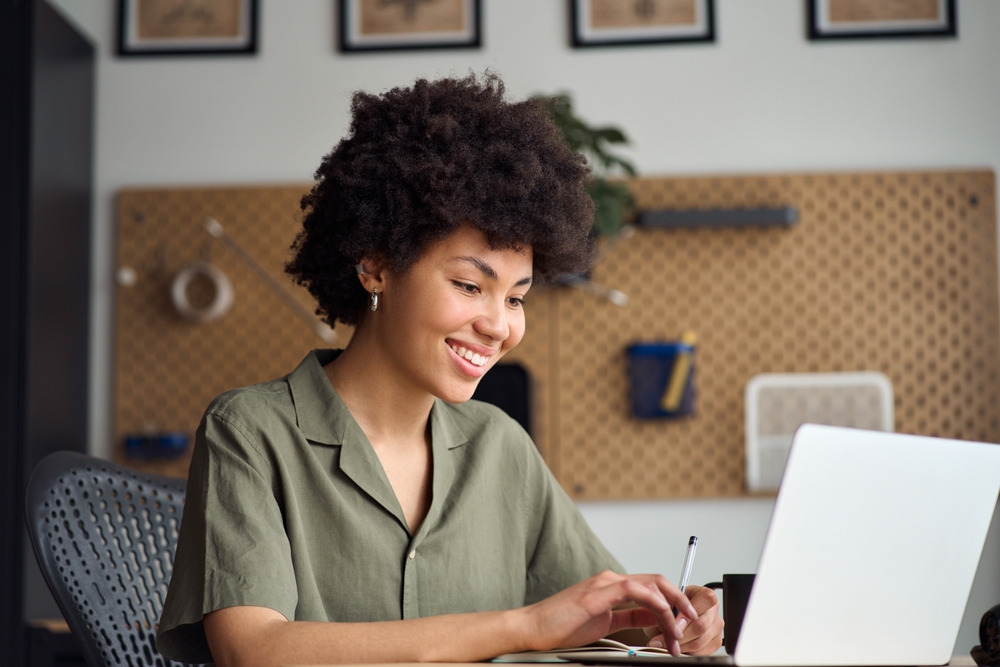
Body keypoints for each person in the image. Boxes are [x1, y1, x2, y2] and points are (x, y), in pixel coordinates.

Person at [156, 73, 723, 667]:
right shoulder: (250, 431)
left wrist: (671, 621)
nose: (499, 326)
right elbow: (253, 651)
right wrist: (522, 626)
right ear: (376, 267)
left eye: (515, 298)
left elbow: (599, 619)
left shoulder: (499, 445)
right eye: (469, 285)